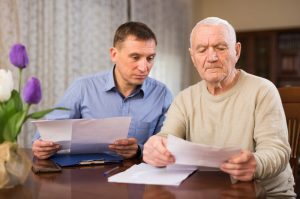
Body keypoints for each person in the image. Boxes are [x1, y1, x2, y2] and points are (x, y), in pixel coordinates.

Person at [143, 17, 296, 197]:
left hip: (265, 194)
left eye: (221, 48)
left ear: (237, 51)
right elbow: (166, 138)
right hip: (206, 192)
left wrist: (256, 163)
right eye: (202, 50)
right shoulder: (184, 98)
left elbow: (277, 150)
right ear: (193, 57)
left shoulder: (263, 90)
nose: (212, 57)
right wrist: (155, 147)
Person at [32, 21, 172, 160]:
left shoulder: (162, 94)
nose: (144, 67)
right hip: (88, 176)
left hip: (138, 176)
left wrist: (138, 150)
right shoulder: (83, 88)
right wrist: (41, 146)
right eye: (135, 57)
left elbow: (167, 146)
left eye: (150, 58)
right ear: (114, 54)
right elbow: (44, 136)